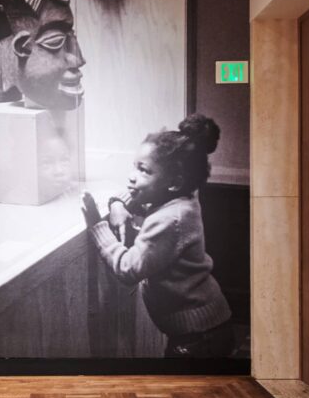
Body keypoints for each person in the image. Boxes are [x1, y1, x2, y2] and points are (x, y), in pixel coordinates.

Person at [81, 114, 233, 358]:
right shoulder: (182, 196)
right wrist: (119, 203)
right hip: (204, 328)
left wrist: (98, 227)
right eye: (134, 166)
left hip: (199, 338)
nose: (132, 176)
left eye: (144, 170)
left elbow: (128, 269)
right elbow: (145, 198)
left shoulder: (171, 219)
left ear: (174, 182)